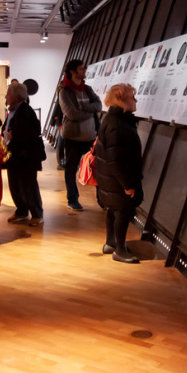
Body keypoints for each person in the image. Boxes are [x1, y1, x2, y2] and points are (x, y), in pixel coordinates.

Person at [94, 83, 143, 264]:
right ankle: (120, 250)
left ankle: (111, 242)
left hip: (109, 178)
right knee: (122, 211)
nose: (135, 100)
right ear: (122, 100)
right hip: (116, 180)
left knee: (113, 210)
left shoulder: (112, 119)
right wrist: (128, 184)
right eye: (132, 97)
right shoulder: (118, 124)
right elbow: (116, 160)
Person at [58, 59, 102, 211]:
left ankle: (101, 199)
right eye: (81, 68)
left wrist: (83, 108)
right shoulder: (64, 91)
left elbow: (99, 105)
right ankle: (73, 199)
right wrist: (89, 112)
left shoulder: (87, 89)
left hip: (90, 136)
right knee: (71, 169)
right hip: (73, 138)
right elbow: (72, 114)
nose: (84, 71)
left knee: (96, 167)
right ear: (72, 71)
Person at [4, 82, 45, 227]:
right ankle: (21, 211)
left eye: (8, 93)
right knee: (15, 185)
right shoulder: (13, 110)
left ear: (17, 96)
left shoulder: (26, 111)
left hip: (26, 156)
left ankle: (37, 214)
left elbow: (32, 133)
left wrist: (13, 136)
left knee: (29, 185)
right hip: (14, 154)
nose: (6, 96)